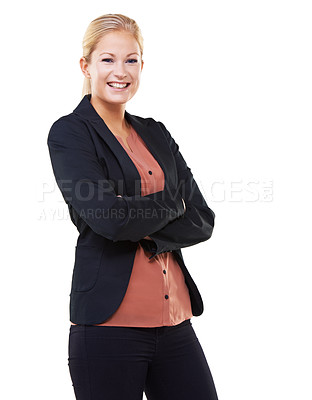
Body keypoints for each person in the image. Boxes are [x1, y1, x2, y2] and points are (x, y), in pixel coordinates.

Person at [47, 13, 219, 400]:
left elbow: (202, 219)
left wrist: (134, 212)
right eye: (107, 59)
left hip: (176, 323)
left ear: (142, 65)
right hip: (109, 328)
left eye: (131, 60)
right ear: (86, 66)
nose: (120, 71)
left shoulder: (155, 132)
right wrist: (172, 202)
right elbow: (110, 219)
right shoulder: (71, 132)